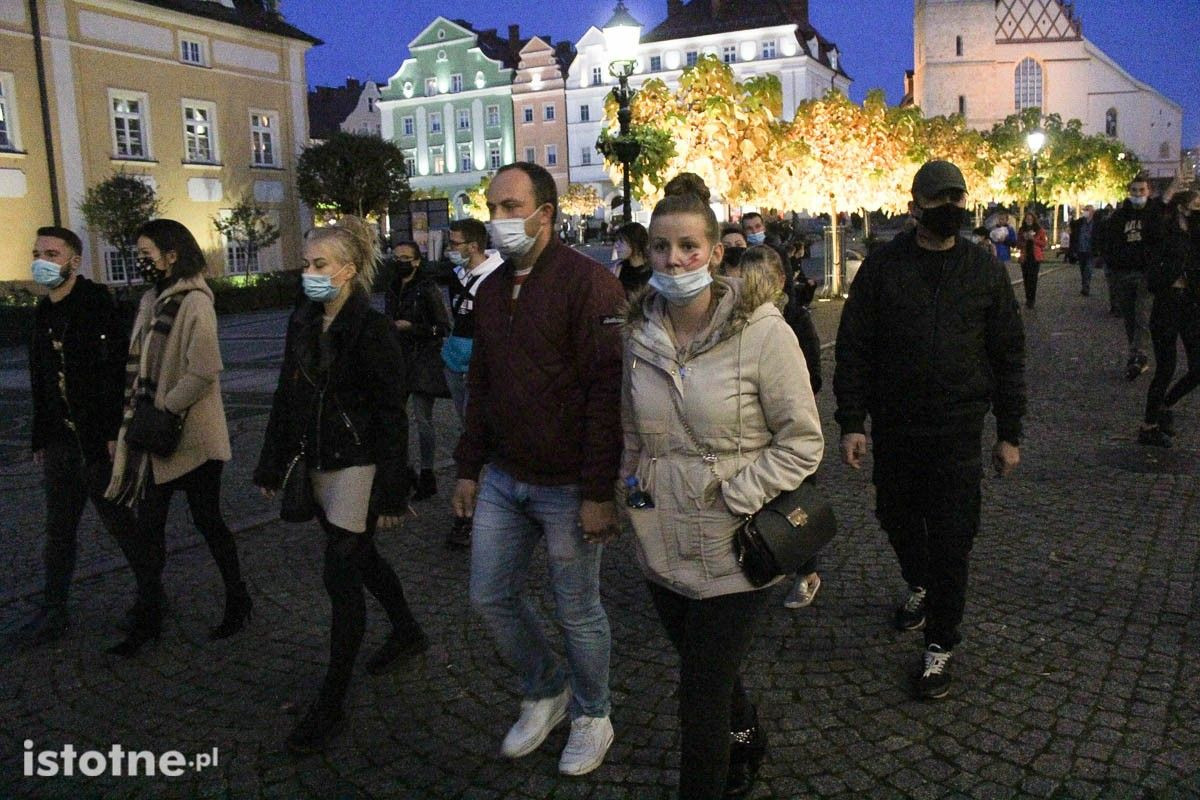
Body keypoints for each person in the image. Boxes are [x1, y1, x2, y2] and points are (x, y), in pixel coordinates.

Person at [621, 174, 823, 799]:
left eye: (687, 247)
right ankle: (747, 739)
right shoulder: (637, 334)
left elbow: (803, 440)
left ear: (713, 252)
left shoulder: (763, 333)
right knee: (707, 668)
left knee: (699, 693)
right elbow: (632, 433)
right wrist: (630, 494)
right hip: (661, 538)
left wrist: (736, 496)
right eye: (660, 247)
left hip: (738, 542)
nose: (673, 260)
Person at [451, 162, 624, 777]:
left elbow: (607, 394)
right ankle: (545, 687)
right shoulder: (494, 288)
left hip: (567, 483)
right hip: (502, 475)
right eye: (492, 206)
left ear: (545, 214)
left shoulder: (589, 284)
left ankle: (593, 712)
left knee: (578, 608)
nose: (497, 219)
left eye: (509, 207)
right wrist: (468, 468)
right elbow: (482, 381)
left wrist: (597, 491)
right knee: (489, 595)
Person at [834, 160, 1026, 700]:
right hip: (896, 429)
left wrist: (1009, 433)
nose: (950, 210)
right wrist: (852, 421)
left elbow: (1008, 354)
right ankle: (922, 584)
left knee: (952, 542)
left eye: (957, 200)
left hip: (958, 431)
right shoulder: (883, 266)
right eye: (938, 201)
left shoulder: (982, 268)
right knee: (894, 518)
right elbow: (854, 348)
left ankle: (941, 643)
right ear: (914, 205)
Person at [254, 216, 428, 753]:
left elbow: (390, 414)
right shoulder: (301, 322)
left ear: (349, 271)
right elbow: (287, 396)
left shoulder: (371, 329)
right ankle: (406, 629)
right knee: (362, 557)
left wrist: (393, 492)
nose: (308, 273)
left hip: (357, 463)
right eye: (306, 264)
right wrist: (271, 463)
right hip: (316, 460)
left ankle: (331, 701)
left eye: (319, 264)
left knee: (341, 572)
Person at [104, 219, 250, 657]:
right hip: (152, 438)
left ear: (172, 255)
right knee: (149, 531)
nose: (141, 261)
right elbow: (137, 366)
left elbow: (204, 370)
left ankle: (237, 599)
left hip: (193, 438)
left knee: (209, 523)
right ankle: (148, 616)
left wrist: (163, 410)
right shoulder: (151, 299)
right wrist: (135, 421)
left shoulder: (195, 302)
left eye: (147, 253)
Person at [15, 226, 136, 647]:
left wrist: (112, 432)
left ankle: (150, 598)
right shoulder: (43, 310)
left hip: (94, 440)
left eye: (52, 252)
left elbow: (116, 372)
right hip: (60, 443)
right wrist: (39, 437)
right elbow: (40, 380)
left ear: (74, 260)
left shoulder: (96, 304)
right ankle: (54, 610)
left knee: (120, 522)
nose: (43, 260)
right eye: (37, 252)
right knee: (59, 529)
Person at [441, 218, 503, 549]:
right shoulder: (461, 276)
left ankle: (474, 511)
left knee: (476, 435)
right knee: (468, 430)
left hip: (479, 367)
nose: (450, 249)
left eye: (455, 243)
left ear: (474, 246)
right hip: (457, 360)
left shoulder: (494, 277)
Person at [385, 241, 451, 502]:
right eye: (396, 256)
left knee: (423, 421)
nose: (399, 261)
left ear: (416, 261)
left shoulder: (427, 288)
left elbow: (442, 327)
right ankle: (402, 471)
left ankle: (427, 474)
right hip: (397, 361)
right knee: (394, 420)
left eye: (405, 257)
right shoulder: (392, 287)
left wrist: (411, 327)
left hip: (423, 361)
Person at [1138, 190, 1200, 447]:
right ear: (1182, 207)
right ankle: (1149, 425)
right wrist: (1165, 197)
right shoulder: (1165, 229)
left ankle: (1166, 403)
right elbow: (1149, 230)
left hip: (1190, 302)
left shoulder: (1196, 232)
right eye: (1197, 203)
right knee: (1166, 366)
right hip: (1167, 301)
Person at [1102, 176, 1165, 381]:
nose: (1138, 194)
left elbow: (1158, 240)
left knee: (1142, 314)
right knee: (1130, 317)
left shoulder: (1154, 214)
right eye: (1134, 190)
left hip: (1145, 273)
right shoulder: (1120, 217)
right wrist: (1113, 265)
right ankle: (1137, 353)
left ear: (1148, 191)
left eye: (1141, 190)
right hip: (1123, 273)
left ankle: (1139, 355)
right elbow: (1110, 242)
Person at [1018, 211, 1048, 309]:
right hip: (1025, 257)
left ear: (1034, 220)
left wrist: (1033, 239)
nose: (1029, 221)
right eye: (1027, 219)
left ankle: (1032, 299)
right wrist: (1025, 240)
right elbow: (1018, 244)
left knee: (1033, 279)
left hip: (1035, 258)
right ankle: (1028, 298)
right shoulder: (1022, 230)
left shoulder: (1039, 230)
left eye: (1031, 219)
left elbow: (1043, 244)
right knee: (1026, 278)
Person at [1067, 205, 1098, 297]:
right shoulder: (1080, 222)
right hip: (1081, 250)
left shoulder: (1096, 224)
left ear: (1092, 212)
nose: (1085, 212)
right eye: (1085, 210)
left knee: (1088, 269)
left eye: (1087, 210)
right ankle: (1084, 285)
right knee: (1083, 269)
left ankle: (1086, 287)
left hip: (1090, 250)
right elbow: (1073, 228)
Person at [613, 222, 651, 295]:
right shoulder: (619, 268)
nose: (616, 246)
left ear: (635, 244)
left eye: (621, 241)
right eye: (616, 241)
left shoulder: (652, 273)